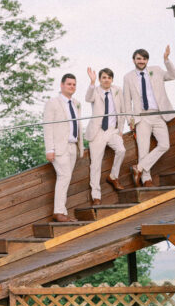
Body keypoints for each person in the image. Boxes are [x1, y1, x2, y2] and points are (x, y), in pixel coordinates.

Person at [122, 46, 175, 187]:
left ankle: (138, 168)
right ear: (134, 60)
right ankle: (146, 179)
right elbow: (127, 101)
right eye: (139, 58)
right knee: (143, 149)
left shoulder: (156, 70)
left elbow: (173, 75)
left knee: (164, 145)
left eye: (144, 59)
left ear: (147, 60)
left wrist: (166, 60)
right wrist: (130, 120)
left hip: (158, 115)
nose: (141, 61)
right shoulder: (128, 77)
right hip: (141, 117)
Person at [43, 73, 85, 222]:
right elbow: (48, 127)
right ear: (62, 85)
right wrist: (49, 149)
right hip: (59, 147)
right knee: (64, 176)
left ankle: (62, 211)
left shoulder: (76, 103)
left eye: (74, 84)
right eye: (69, 84)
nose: (72, 87)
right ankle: (59, 212)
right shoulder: (53, 103)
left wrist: (81, 146)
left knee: (67, 177)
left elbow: (79, 126)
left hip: (73, 146)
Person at [84, 67, 127, 204]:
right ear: (100, 79)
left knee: (121, 150)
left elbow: (122, 110)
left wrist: (120, 129)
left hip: (112, 130)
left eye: (109, 77)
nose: (106, 80)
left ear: (112, 79)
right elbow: (88, 98)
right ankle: (96, 195)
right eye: (103, 77)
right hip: (97, 132)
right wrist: (91, 82)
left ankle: (113, 176)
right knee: (95, 164)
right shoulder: (95, 91)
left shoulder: (118, 90)